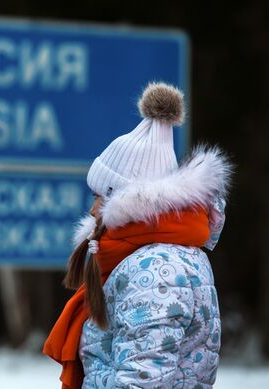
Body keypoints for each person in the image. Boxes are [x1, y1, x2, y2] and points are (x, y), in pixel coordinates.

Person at [43, 82, 232, 389]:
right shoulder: (151, 259)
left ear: (126, 203)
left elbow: (143, 380)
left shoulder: (156, 271)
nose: (92, 211)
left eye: (99, 198)